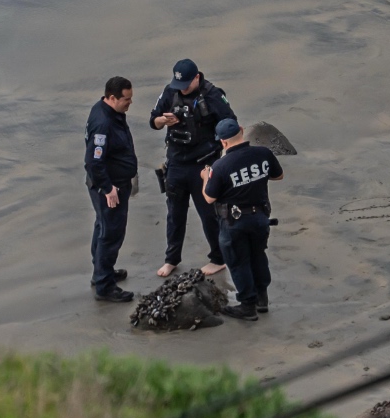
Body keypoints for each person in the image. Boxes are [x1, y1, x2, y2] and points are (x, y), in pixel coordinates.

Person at [148, 58, 237, 278]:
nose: (182, 89)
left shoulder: (213, 95)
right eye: (179, 85)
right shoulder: (170, 92)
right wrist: (163, 120)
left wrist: (226, 157)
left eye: (186, 84)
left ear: (197, 77)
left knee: (208, 213)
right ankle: (171, 259)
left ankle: (218, 258)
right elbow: (153, 121)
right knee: (174, 214)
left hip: (203, 163)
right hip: (176, 162)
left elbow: (230, 124)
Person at [202, 119, 283, 321]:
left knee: (238, 262)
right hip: (260, 217)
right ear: (241, 131)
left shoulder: (220, 166)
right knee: (258, 255)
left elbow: (209, 197)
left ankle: (247, 306)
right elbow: (278, 175)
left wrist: (205, 178)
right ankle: (262, 299)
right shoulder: (263, 153)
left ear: (223, 142)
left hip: (234, 222)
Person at [85, 76, 137, 302]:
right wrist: (108, 189)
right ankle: (105, 286)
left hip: (113, 181)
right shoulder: (103, 123)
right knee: (111, 233)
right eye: (126, 99)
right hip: (109, 186)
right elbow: (93, 161)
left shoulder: (108, 111)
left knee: (103, 226)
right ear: (112, 97)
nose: (130, 103)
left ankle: (101, 272)